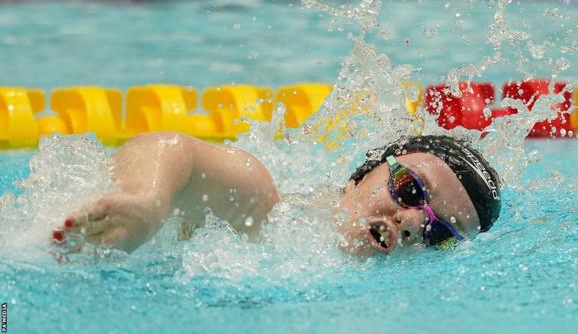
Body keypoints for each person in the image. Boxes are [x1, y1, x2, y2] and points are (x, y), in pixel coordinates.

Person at [52, 132, 501, 257]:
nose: (413, 224)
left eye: (439, 233)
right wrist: (147, 201)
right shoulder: (264, 209)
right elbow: (174, 150)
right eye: (409, 189)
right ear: (364, 172)